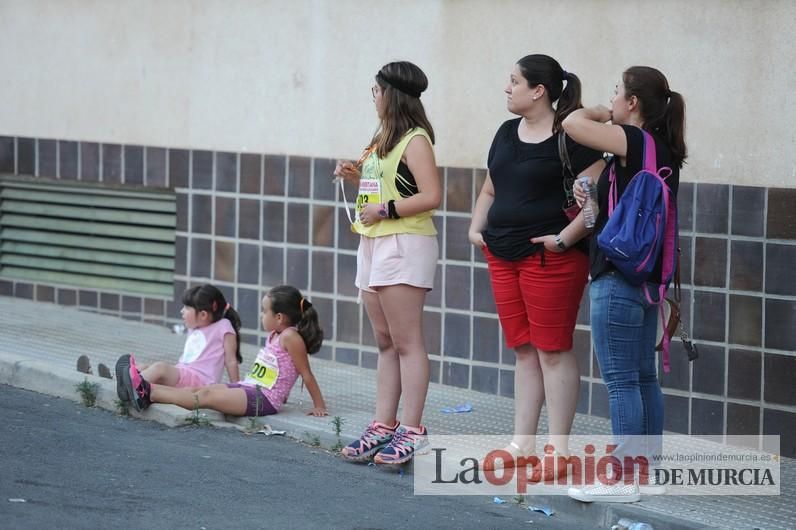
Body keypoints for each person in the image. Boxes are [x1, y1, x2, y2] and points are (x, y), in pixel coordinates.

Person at [468, 54, 604, 473]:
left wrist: (563, 241)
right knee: (524, 351)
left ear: (538, 90)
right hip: (502, 253)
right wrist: (476, 230)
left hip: (552, 259)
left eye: (514, 81)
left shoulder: (573, 137)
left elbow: (594, 204)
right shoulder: (507, 132)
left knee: (553, 351)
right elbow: (491, 188)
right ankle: (520, 444)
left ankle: (558, 451)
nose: (507, 88)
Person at [563, 66, 686, 503]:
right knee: (642, 377)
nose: (611, 100)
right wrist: (589, 195)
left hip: (616, 276)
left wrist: (597, 112)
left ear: (633, 103)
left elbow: (572, 124)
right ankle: (645, 470)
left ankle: (622, 479)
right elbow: (607, 207)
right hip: (647, 279)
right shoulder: (663, 148)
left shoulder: (633, 139)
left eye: (616, 93)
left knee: (621, 382)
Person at [334, 61, 441, 464]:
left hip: (404, 243)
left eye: (376, 91)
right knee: (384, 342)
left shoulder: (416, 139)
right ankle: (384, 424)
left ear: (390, 94)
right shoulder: (382, 138)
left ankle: (412, 429)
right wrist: (353, 174)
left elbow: (431, 195)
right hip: (373, 242)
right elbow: (381, 185)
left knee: (407, 341)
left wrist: (387, 209)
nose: (373, 98)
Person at [115, 285, 327, 417]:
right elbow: (279, 369)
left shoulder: (291, 337)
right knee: (198, 391)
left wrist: (319, 405)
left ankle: (146, 391)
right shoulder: (276, 335)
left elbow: (305, 373)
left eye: (264, 311)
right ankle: (143, 388)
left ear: (279, 317)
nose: (261, 315)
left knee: (205, 397)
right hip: (251, 387)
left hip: (264, 399)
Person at [119, 285, 242, 397]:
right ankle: (122, 380)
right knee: (146, 366)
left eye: (187, 308)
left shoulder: (223, 327)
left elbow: (231, 361)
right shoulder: (195, 327)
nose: (182, 311)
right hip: (184, 375)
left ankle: (129, 388)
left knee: (160, 368)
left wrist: (237, 389)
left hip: (199, 381)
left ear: (203, 315)